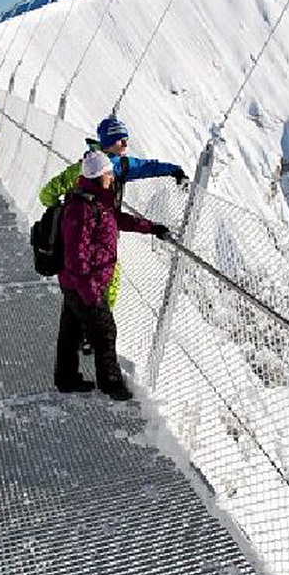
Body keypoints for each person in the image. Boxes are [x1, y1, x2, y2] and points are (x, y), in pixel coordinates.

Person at [40, 115, 188, 310]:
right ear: (109, 141)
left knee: (79, 283)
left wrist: (62, 212)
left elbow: (47, 194)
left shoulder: (85, 167)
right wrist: (174, 170)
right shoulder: (117, 167)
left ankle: (89, 322)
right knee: (104, 277)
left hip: (86, 233)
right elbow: (145, 168)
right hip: (98, 236)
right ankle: (99, 319)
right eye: (121, 139)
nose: (126, 143)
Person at [56, 150, 169, 400]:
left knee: (71, 329)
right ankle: (111, 385)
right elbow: (76, 256)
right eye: (108, 172)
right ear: (98, 175)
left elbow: (119, 220)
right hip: (84, 284)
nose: (111, 176)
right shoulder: (83, 208)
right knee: (105, 331)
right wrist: (91, 294)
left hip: (76, 282)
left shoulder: (98, 202)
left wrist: (152, 228)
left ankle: (65, 378)